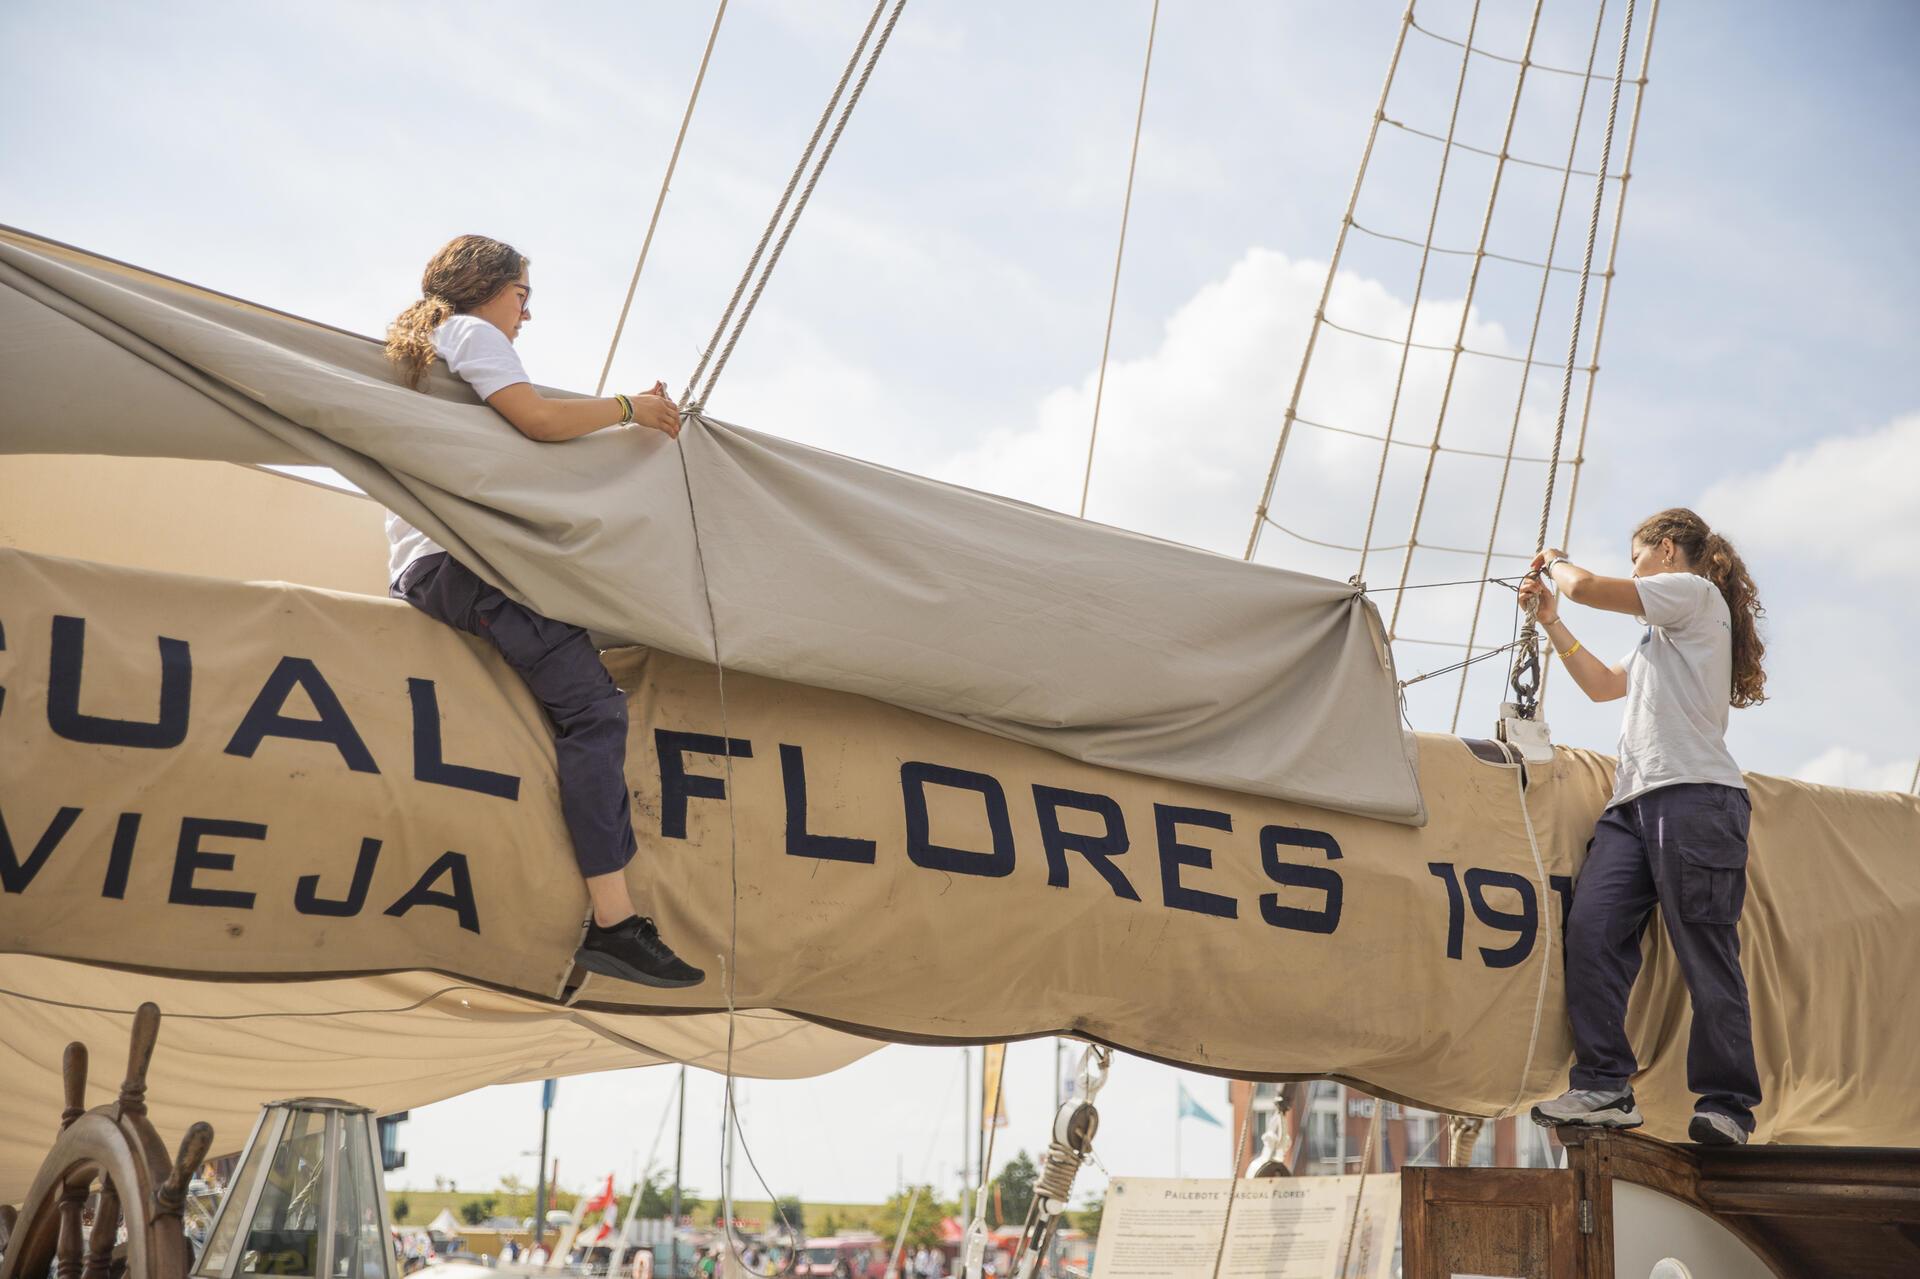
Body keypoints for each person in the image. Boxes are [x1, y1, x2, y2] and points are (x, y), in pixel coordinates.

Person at [384, 234, 703, 988]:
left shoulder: (429, 351)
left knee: (574, 695)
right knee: (596, 712)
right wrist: (633, 406)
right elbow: (537, 421)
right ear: (489, 288)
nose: (527, 314)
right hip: (464, 564)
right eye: (523, 296)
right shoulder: (468, 334)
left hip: (444, 563)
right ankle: (616, 922)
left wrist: (631, 421)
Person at [1523, 508, 1767, 1146]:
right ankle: (1604, 1084)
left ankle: (1729, 1106)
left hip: (1696, 797)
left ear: (1664, 551)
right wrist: (1551, 622)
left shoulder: (1693, 594)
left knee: (1705, 953)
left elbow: (1583, 586)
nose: (1633, 572)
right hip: (1632, 805)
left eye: (1635, 560)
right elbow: (1605, 687)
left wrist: (1553, 561)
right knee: (1593, 929)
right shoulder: (1661, 635)